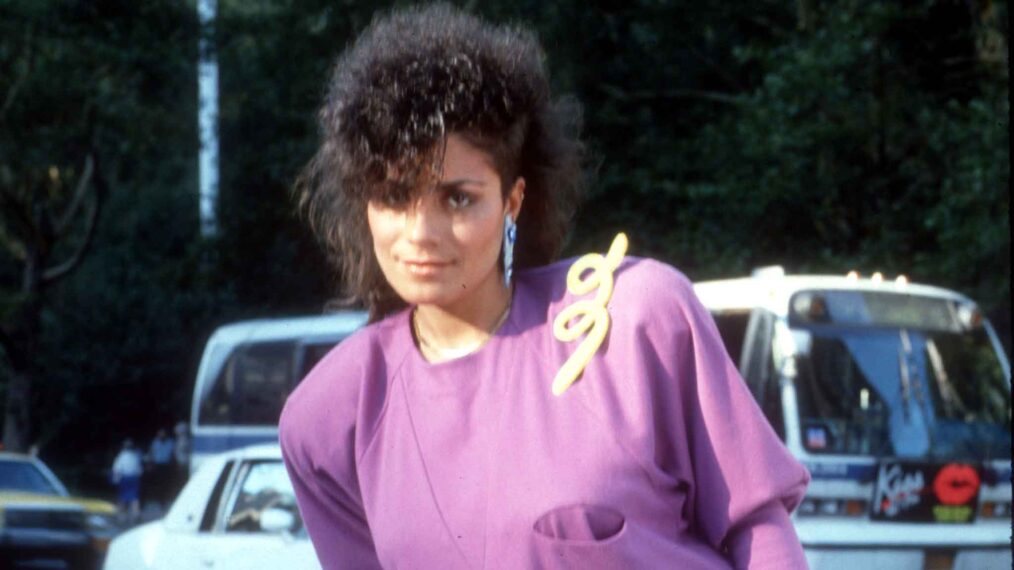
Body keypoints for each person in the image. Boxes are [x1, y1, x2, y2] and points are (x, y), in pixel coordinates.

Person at [280, 5, 810, 569]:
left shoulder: (636, 319)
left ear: (512, 200)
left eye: (457, 198)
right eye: (392, 197)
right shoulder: (328, 419)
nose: (420, 233)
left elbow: (760, 533)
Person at [111, 438, 143, 525]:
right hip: (134, 478)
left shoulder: (121, 456)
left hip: (125, 478)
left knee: (122, 498)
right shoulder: (135, 456)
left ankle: (121, 518)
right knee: (134, 498)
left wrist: (115, 479)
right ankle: (136, 515)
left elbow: (117, 469)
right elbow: (140, 470)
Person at [146, 428, 175, 508]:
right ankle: (160, 500)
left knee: (166, 483)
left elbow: (173, 454)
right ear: (158, 435)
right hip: (157, 465)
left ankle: (165, 499)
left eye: (163, 433)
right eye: (160, 434)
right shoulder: (155, 442)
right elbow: (151, 453)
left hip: (166, 465)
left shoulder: (170, 442)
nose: (162, 435)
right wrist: (150, 464)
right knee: (158, 483)